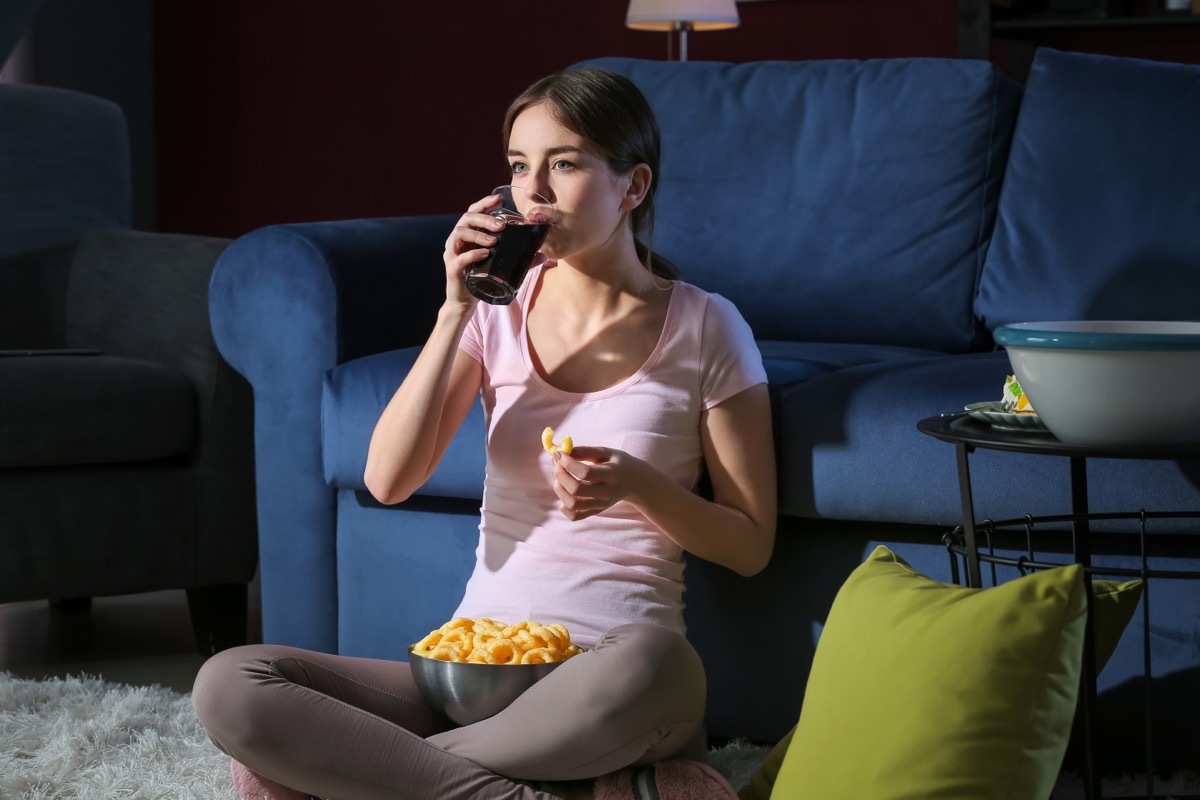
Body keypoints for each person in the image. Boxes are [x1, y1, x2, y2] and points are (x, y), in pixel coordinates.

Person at [192, 66, 776, 800]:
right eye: (518, 167)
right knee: (232, 684)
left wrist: (639, 484)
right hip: (471, 676)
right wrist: (452, 313)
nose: (532, 192)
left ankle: (371, 776)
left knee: (659, 664)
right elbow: (387, 479)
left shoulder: (705, 324)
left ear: (633, 186)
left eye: (563, 164)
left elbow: (750, 544)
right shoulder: (496, 311)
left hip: (615, 672)